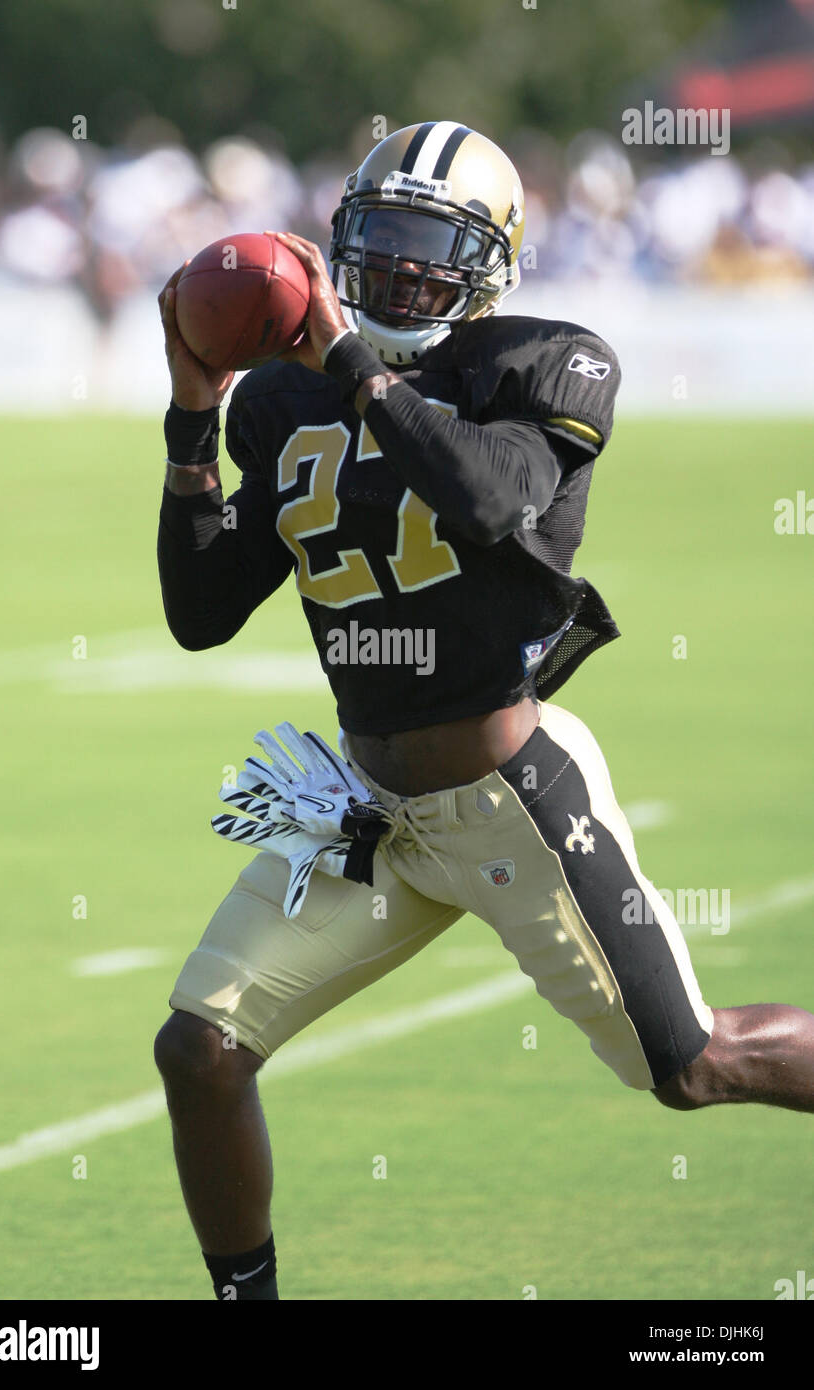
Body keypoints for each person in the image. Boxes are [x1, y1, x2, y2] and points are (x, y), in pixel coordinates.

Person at [153, 121, 814, 1302]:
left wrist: (355, 362)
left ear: (491, 258)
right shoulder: (284, 400)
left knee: (690, 1064)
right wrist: (193, 414)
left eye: (429, 244)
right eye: (382, 240)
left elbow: (486, 495)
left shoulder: (544, 359)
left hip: (511, 794)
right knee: (198, 1047)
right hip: (363, 808)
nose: (402, 268)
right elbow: (201, 612)